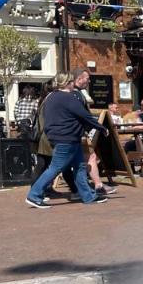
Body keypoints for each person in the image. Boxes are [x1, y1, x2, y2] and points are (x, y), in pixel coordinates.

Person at [25, 70, 108, 209]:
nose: (72, 84)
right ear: (67, 83)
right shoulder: (68, 97)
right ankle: (34, 195)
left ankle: (88, 196)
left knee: (80, 167)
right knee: (55, 168)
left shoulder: (51, 97)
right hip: (67, 138)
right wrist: (102, 128)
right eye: (71, 82)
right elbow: (84, 115)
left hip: (63, 137)